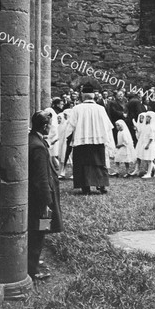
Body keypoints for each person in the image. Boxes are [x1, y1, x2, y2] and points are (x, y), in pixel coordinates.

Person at [28, 111, 64, 281]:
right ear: (44, 126)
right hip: (42, 201)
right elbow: (41, 179)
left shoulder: (35, 140)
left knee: (39, 230)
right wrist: (47, 203)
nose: (51, 128)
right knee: (40, 230)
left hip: (40, 200)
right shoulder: (38, 147)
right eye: (50, 125)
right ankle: (33, 269)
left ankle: (34, 262)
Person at [64, 83, 115, 195]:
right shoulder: (100, 109)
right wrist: (108, 140)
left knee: (83, 164)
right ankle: (101, 185)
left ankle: (85, 186)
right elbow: (108, 126)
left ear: (83, 96)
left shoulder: (77, 109)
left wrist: (66, 136)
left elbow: (71, 125)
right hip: (98, 141)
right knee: (98, 162)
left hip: (81, 141)